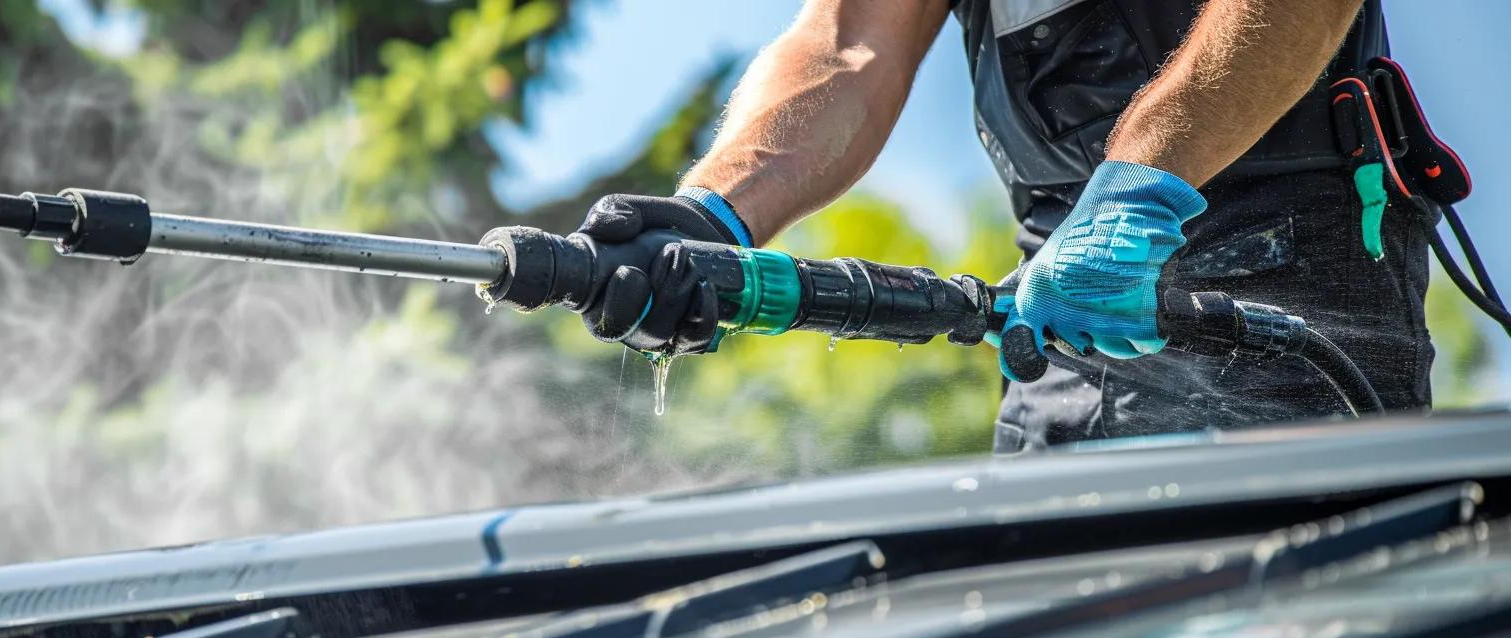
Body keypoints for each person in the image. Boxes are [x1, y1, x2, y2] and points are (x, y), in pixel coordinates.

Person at [574, 0, 1434, 452]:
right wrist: (715, 215)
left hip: (1285, 264)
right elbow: (847, 46)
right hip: (1050, 302)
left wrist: (1139, 187)